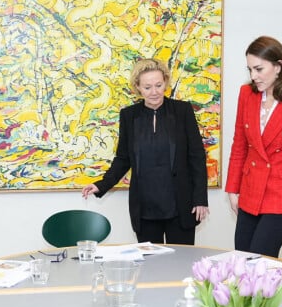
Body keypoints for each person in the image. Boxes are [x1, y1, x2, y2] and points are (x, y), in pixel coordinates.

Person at [82, 58, 209, 244]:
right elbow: (123, 158)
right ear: (138, 88)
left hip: (180, 205)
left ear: (165, 82)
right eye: (147, 87)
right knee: (150, 267)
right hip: (145, 207)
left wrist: (200, 199)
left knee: (181, 264)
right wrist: (102, 184)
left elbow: (197, 157)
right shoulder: (129, 115)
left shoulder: (183, 111)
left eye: (158, 85)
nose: (154, 92)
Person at [225, 36, 282, 258]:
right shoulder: (246, 94)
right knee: (241, 260)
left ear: (278, 66)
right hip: (249, 189)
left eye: (259, 69)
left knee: (261, 263)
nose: (253, 76)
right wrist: (232, 188)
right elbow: (239, 144)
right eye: (249, 69)